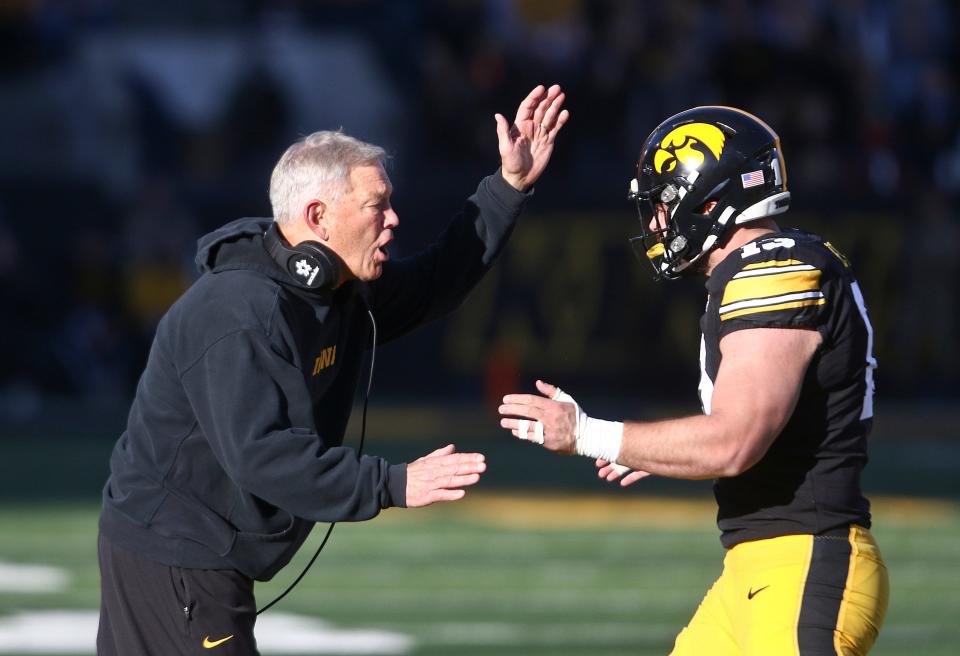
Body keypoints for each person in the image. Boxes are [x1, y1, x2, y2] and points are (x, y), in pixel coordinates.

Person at [97, 84, 569, 655]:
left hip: (204, 561)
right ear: (317, 216)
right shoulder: (236, 311)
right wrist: (394, 484)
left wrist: (507, 188)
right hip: (173, 556)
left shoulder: (334, 289)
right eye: (377, 205)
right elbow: (262, 454)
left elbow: (435, 283)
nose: (393, 219)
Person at [498, 106, 888, 655]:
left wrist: (588, 434)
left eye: (662, 204)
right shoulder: (752, 270)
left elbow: (734, 442)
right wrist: (655, 449)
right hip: (755, 571)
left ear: (708, 201)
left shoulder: (772, 268)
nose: (656, 223)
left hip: (803, 564)